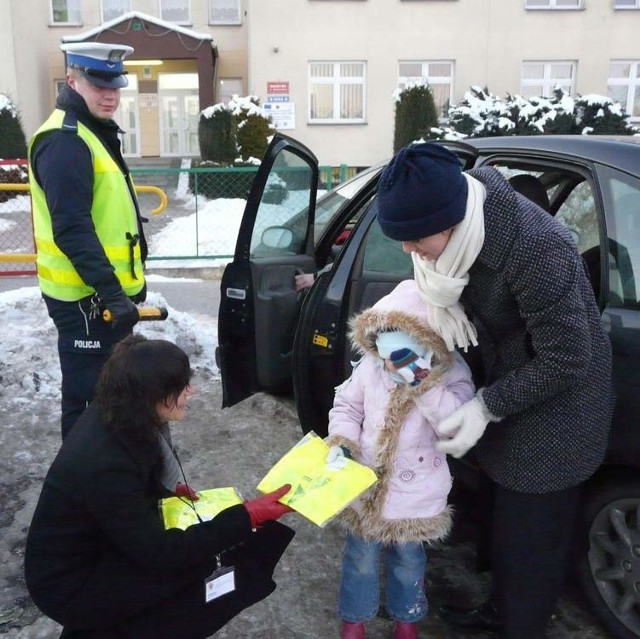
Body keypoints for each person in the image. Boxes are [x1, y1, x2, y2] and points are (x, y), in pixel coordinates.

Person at [375, 143, 613, 639]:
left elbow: (569, 357)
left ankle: (520, 622)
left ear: (451, 221)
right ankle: (500, 609)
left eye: (416, 238)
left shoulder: (535, 246)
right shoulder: (458, 235)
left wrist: (486, 406)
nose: (408, 251)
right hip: (510, 385)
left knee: (531, 539)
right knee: (502, 524)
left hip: (559, 411)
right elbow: (440, 297)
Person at [24, 335, 295, 639]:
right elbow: (163, 553)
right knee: (199, 570)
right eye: (180, 386)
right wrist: (247, 516)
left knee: (206, 550)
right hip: (70, 586)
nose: (190, 391)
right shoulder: (105, 463)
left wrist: (162, 491)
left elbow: (128, 494)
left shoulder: (120, 412)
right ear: (151, 393)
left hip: (94, 552)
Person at [325, 279, 475, 639]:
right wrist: (342, 442)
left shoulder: (451, 373)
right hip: (365, 482)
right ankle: (354, 618)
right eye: (383, 341)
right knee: (359, 558)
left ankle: (406, 617)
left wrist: (422, 383)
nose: (389, 358)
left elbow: (453, 425)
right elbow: (347, 405)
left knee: (408, 561)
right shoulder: (370, 367)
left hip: (417, 490)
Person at [28, 42, 148, 438]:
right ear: (72, 81)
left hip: (101, 297)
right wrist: (111, 292)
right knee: (88, 403)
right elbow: (72, 226)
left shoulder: (91, 132)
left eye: (114, 85)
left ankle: (107, 480)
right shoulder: (65, 141)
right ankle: (79, 489)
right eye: (98, 85)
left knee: (111, 398)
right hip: (86, 300)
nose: (109, 94)